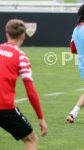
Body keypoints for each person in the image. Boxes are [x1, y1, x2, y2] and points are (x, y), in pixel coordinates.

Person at [0, 19, 48, 149]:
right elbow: (31, 92)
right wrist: (41, 118)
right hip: (4, 107)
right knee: (31, 139)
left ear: (7, 34)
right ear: (23, 36)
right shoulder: (21, 57)